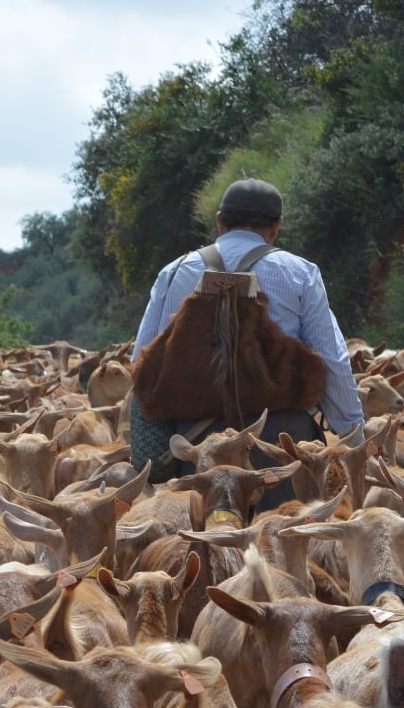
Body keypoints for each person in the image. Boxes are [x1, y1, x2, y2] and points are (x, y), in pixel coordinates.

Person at [130, 179, 364, 489]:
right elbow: (333, 361)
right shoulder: (300, 273)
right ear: (276, 226)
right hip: (282, 448)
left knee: (197, 535)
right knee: (282, 533)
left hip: (194, 451)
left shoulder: (175, 271)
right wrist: (354, 435)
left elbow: (140, 364)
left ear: (220, 222)